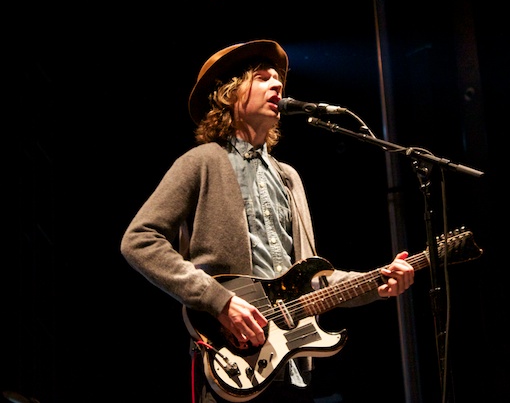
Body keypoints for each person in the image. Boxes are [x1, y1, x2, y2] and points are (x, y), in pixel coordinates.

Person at [120, 39, 415, 403]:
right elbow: (139, 240)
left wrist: (376, 282)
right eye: (262, 78)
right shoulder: (202, 162)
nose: (277, 85)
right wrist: (219, 301)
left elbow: (312, 278)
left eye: (278, 79)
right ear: (229, 93)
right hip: (230, 361)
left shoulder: (289, 178)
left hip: (291, 366)